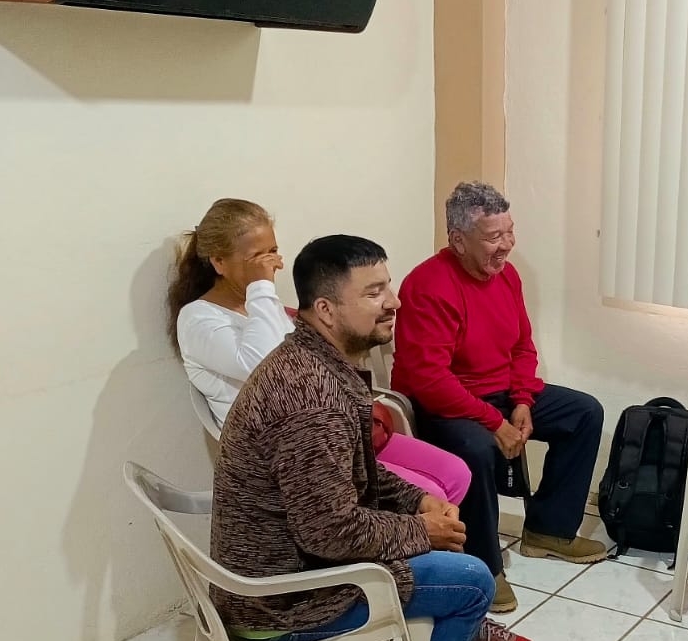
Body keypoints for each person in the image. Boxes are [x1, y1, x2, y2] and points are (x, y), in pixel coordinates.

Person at [210, 235, 536, 641]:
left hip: (280, 569)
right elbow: (329, 532)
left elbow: (354, 474)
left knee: (417, 543)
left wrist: (414, 501)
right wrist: (421, 530)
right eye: (374, 292)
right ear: (326, 310)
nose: (394, 302)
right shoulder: (312, 396)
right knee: (471, 583)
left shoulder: (317, 363)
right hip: (276, 599)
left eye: (388, 287)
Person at [169, 198, 469, 505]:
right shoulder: (198, 318)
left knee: (456, 473)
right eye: (256, 257)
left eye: (272, 251)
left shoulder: (262, 305)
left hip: (331, 426)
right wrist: (261, 288)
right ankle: (416, 534)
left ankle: (443, 533)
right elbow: (268, 365)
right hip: (290, 451)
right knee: (428, 495)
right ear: (219, 262)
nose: (271, 265)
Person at [393, 183, 607, 613]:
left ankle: (548, 530)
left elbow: (523, 347)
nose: (507, 245)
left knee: (584, 412)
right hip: (445, 403)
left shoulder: (506, 276)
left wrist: (523, 400)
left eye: (509, 231)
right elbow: (430, 379)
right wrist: (494, 423)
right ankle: (483, 565)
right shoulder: (427, 285)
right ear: (458, 240)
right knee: (477, 449)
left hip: (501, 393)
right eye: (494, 236)